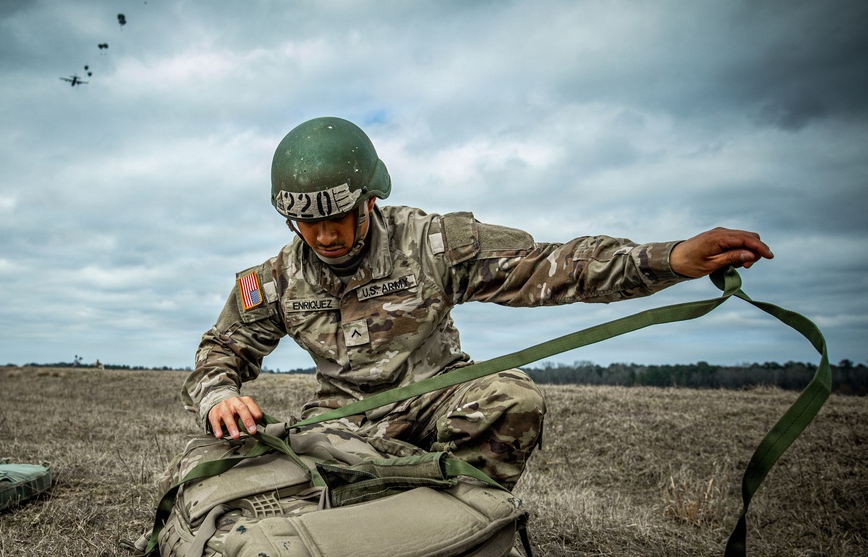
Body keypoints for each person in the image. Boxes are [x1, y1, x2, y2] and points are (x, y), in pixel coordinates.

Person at [181, 116, 772, 488]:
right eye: (307, 225)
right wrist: (221, 392)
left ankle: (457, 528)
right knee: (231, 467)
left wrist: (667, 259)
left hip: (439, 399)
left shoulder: (431, 242)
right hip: (343, 423)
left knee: (511, 397)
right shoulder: (277, 279)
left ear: (370, 199)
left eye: (338, 218)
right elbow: (221, 350)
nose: (326, 236)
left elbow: (552, 267)